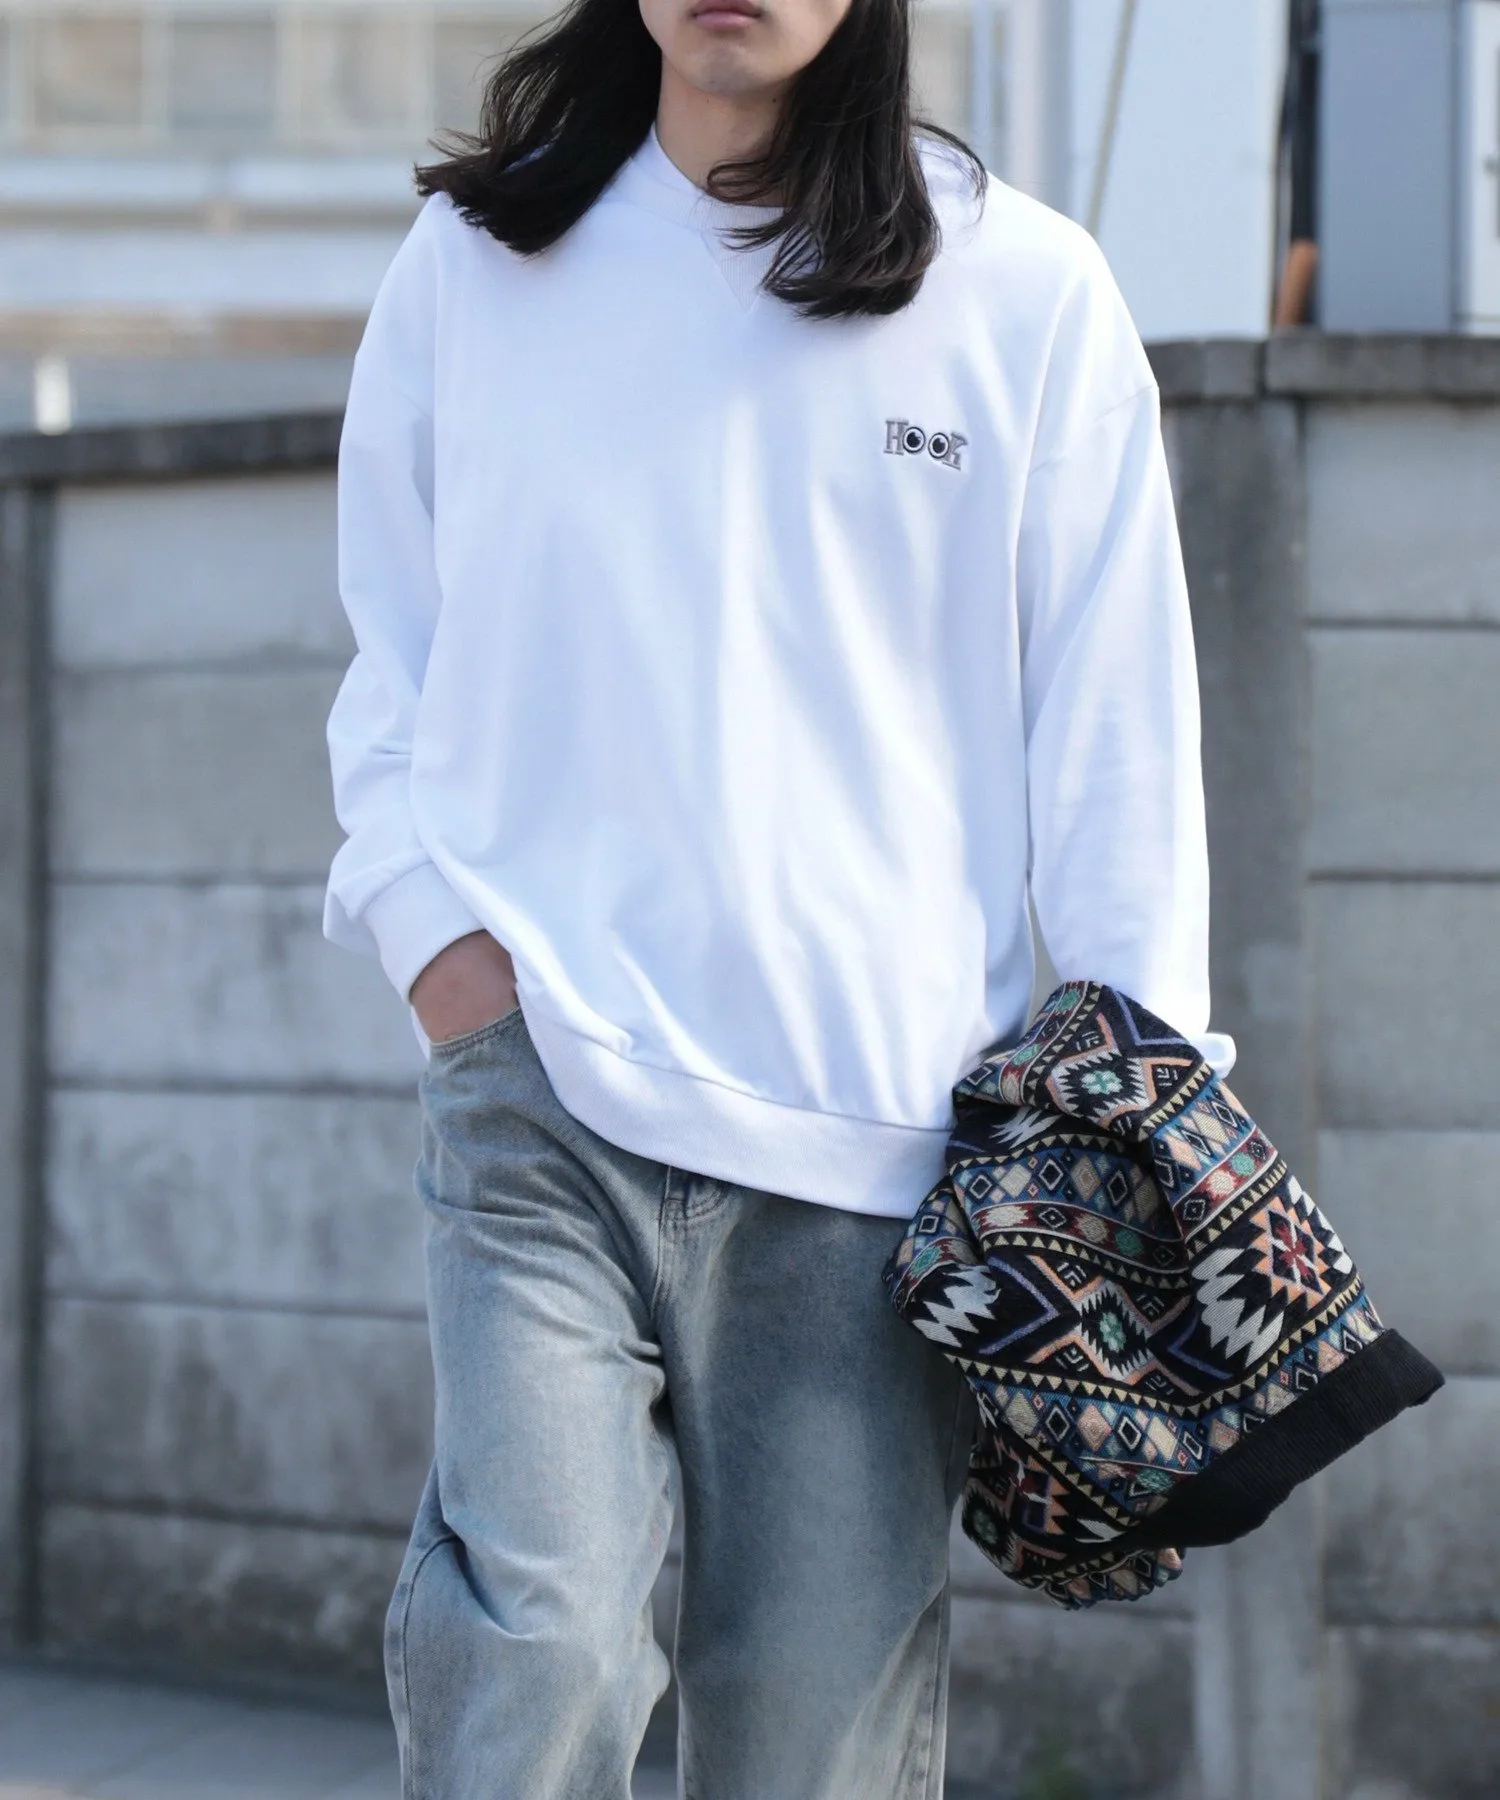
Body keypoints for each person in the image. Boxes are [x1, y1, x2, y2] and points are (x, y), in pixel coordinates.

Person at [323, 0, 1234, 1792]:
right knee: (539, 1654)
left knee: (811, 1750)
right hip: (543, 1094)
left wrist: (1148, 1113)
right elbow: (391, 649)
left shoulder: (1023, 290)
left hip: (878, 1156)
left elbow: (1115, 733)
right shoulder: (477, 261)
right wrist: (438, 948)